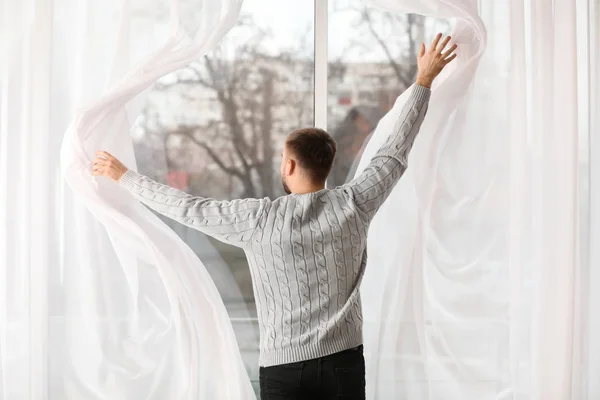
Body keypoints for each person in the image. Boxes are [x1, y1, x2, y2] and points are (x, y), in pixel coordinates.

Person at [93, 33, 456, 400]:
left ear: (290, 164)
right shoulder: (354, 205)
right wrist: (423, 80)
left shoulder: (257, 220)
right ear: (326, 166)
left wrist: (124, 176)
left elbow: (188, 208)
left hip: (283, 370)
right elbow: (394, 152)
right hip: (342, 363)